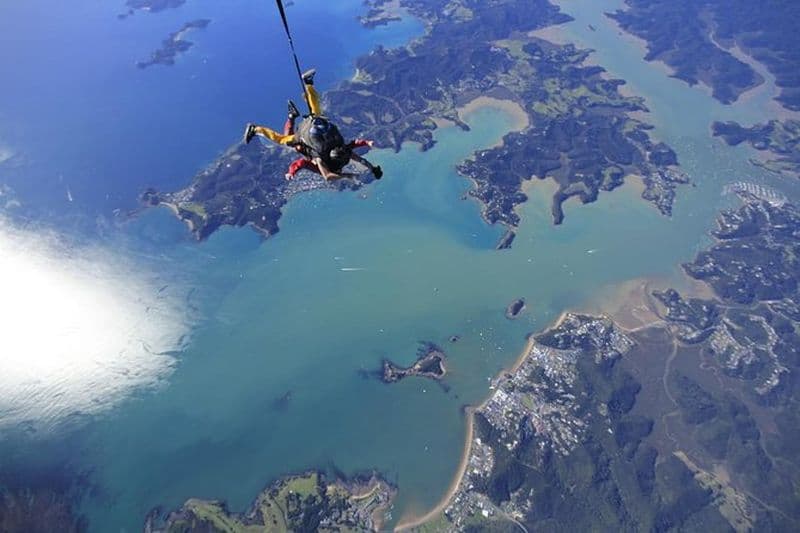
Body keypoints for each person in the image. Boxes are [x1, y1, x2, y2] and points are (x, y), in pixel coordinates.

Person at [243, 69, 383, 181]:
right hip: (305, 135)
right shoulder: (322, 161)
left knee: (315, 113)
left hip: (316, 127)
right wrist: (291, 173)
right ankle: (255, 129)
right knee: (283, 139)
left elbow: (357, 150)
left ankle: (308, 85)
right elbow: (320, 173)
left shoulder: (343, 151)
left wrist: (369, 153)